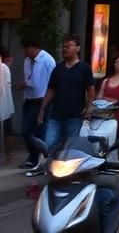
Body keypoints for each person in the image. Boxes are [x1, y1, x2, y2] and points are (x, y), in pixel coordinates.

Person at [40, 35, 95, 159]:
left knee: (71, 147)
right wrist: (43, 108)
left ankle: (69, 173)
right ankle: (53, 169)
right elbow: (51, 90)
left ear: (77, 48)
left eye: (68, 46)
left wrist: (89, 106)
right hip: (56, 115)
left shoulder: (84, 68)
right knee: (49, 144)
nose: (65, 49)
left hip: (74, 116)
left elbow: (90, 89)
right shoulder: (57, 69)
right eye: (63, 46)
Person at [18, 35, 55, 172]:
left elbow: (53, 82)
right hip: (29, 97)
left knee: (32, 131)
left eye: (26, 48)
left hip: (42, 99)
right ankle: (34, 157)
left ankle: (38, 158)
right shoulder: (27, 61)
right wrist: (24, 84)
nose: (24, 52)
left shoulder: (47, 60)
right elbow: (29, 78)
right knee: (28, 131)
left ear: (34, 47)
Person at [0, 45, 14, 161]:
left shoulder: (3, 67)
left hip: (4, 103)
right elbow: (7, 86)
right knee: (7, 130)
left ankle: (8, 156)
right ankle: (8, 156)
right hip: (5, 104)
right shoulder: (4, 67)